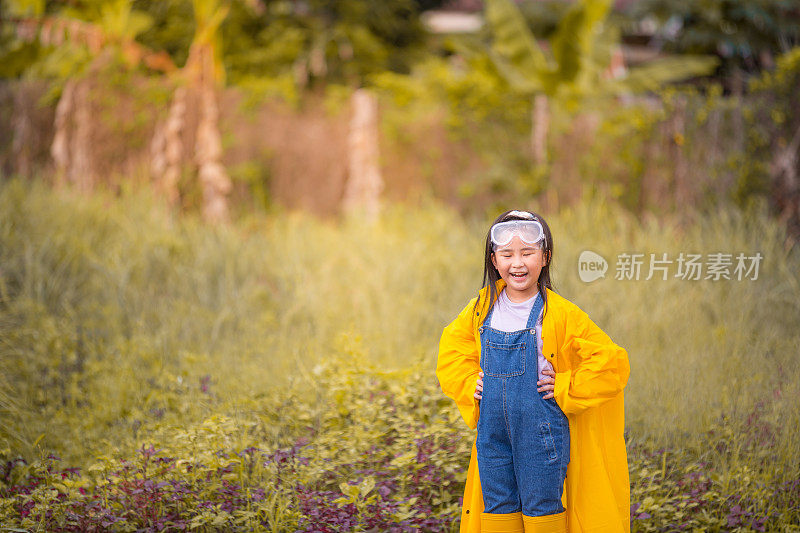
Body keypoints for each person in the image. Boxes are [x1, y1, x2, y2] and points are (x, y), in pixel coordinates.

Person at [437, 209, 630, 533]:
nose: (518, 263)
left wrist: (566, 384)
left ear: (545, 257)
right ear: (494, 260)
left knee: (542, 506)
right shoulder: (480, 309)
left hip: (541, 432)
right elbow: (451, 351)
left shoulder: (560, 313)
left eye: (527, 253)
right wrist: (470, 382)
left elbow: (611, 362)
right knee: (497, 506)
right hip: (493, 433)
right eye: (508, 254)